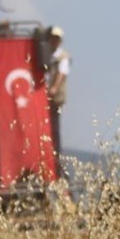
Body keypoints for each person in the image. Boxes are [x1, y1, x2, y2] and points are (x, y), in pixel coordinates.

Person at [44, 25, 70, 178]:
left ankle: (57, 170)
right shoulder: (47, 55)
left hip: (54, 101)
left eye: (56, 39)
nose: (54, 41)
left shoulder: (62, 57)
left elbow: (62, 74)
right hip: (44, 100)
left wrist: (53, 88)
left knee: (54, 133)